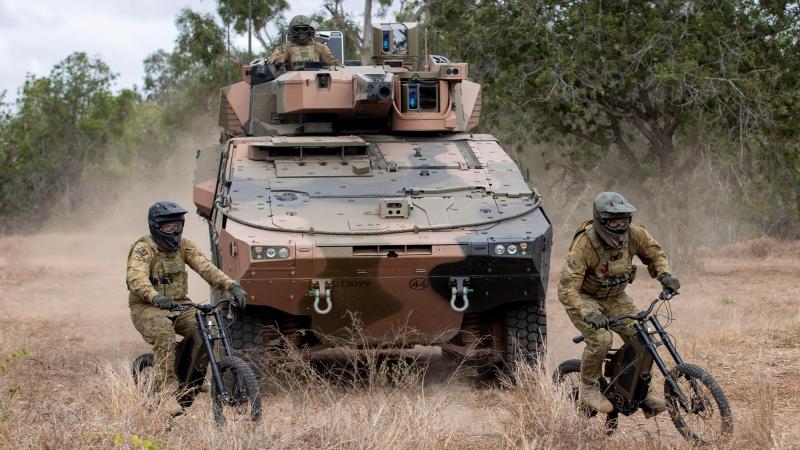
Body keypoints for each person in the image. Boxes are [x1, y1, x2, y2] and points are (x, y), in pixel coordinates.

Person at [557, 192, 681, 415]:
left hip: (616, 297)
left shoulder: (635, 234)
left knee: (642, 337)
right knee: (602, 339)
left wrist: (665, 275)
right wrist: (587, 313)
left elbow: (655, 255)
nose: (620, 224)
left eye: (623, 219)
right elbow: (567, 288)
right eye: (614, 220)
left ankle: (646, 392)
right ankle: (588, 388)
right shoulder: (585, 244)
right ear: (601, 221)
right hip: (585, 298)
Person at [126, 201, 248, 415]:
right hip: (147, 307)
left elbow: (205, 266)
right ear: (156, 226)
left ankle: (194, 375)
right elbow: (136, 278)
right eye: (168, 227)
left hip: (180, 303)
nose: (174, 231)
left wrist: (231, 285)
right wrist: (154, 297)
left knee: (208, 326)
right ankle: (167, 390)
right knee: (165, 335)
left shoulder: (184, 246)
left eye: (177, 225)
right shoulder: (144, 249)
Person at [268, 15, 340, 69]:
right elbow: (272, 60)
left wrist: (334, 67)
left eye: (304, 29)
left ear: (310, 30)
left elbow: (334, 64)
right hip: (292, 83)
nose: (301, 32)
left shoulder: (320, 47)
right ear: (292, 31)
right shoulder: (285, 48)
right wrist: (278, 61)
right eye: (297, 29)